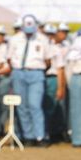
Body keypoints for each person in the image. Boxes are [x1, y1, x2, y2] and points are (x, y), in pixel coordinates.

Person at [8, 15, 52, 146]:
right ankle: (28, 136)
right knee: (22, 106)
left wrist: (38, 70)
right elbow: (9, 58)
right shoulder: (14, 39)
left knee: (35, 105)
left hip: (36, 73)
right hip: (19, 72)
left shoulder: (43, 39)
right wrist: (17, 70)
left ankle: (40, 136)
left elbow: (48, 60)